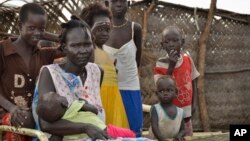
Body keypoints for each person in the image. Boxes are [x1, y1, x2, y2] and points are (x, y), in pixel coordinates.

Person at [32, 17, 108, 140]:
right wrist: (85, 127)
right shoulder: (50, 73)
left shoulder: (97, 72)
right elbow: (45, 124)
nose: (83, 50)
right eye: (75, 46)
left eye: (87, 44)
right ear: (64, 47)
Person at [0, 3, 63, 141]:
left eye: (41, 29)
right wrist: (12, 108)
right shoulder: (3, 51)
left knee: (57, 127)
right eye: (31, 28)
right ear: (19, 26)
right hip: (6, 113)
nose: (37, 34)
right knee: (26, 120)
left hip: (35, 114)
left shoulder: (44, 55)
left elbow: (68, 45)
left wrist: (44, 34)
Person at [80, 2, 129, 128]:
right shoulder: (88, 52)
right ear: (88, 28)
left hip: (114, 102)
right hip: (97, 102)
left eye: (107, 29)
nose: (105, 33)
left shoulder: (110, 56)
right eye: (99, 29)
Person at [103, 0, 143, 136]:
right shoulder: (101, 30)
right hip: (107, 88)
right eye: (114, 1)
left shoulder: (135, 29)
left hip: (130, 86)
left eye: (122, 1)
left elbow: (138, 59)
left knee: (134, 129)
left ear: (129, 3)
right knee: (109, 130)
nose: (119, 4)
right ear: (107, 3)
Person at [153, 26, 200, 136]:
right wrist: (171, 66)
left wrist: (194, 103)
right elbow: (161, 87)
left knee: (186, 137)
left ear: (182, 42)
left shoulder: (187, 59)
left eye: (175, 40)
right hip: (169, 115)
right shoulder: (160, 64)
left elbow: (194, 81)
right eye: (167, 41)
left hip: (187, 114)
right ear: (162, 45)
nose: (171, 44)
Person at [36, 92, 135, 141]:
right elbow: (94, 110)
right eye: (57, 95)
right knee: (131, 134)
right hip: (105, 131)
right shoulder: (75, 106)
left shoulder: (62, 128)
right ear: (64, 104)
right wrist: (84, 102)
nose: (60, 95)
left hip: (89, 138)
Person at [149, 75, 185, 141]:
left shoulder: (180, 112)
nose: (165, 93)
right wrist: (162, 139)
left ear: (176, 92)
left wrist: (179, 136)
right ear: (157, 94)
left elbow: (183, 129)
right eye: (161, 91)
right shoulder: (156, 109)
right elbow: (155, 128)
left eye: (169, 90)